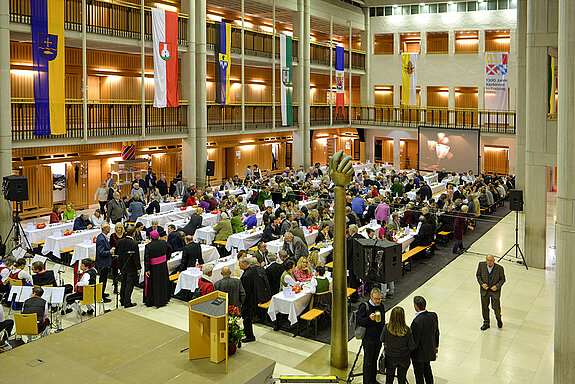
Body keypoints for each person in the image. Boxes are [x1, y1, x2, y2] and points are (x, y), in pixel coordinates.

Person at [381, 307, 416, 384]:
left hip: (390, 357)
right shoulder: (407, 330)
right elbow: (412, 346)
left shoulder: (387, 328)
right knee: (402, 378)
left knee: (389, 378)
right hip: (404, 358)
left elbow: (382, 339)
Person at [357, 288, 385, 384]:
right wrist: (369, 319)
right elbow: (360, 321)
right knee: (368, 361)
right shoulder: (364, 307)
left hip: (378, 338)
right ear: (371, 297)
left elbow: (383, 322)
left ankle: (373, 380)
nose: (378, 301)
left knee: (374, 360)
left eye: (379, 299)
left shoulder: (381, 306)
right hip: (368, 338)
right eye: (376, 299)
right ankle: (367, 381)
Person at [411, 296, 440, 384]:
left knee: (419, 374)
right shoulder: (433, 315)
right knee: (427, 370)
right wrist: (436, 346)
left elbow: (415, 341)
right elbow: (436, 332)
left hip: (419, 354)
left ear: (416, 306)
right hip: (430, 349)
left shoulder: (416, 322)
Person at [476, 254, 506, 330]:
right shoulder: (481, 265)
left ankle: (498, 319)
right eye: (488, 261)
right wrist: (482, 284)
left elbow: (503, 279)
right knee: (484, 307)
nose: (489, 262)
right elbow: (478, 275)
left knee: (496, 307)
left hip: (494, 291)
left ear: (494, 261)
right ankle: (486, 323)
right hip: (484, 291)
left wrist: (496, 286)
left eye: (491, 261)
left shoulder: (499, 268)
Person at [143, 230, 172, 308]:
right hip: (162, 265)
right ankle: (164, 299)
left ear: (151, 237)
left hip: (153, 267)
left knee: (155, 283)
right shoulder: (163, 243)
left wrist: (147, 269)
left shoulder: (148, 246)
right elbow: (170, 249)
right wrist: (167, 258)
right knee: (162, 282)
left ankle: (154, 301)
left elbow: (147, 259)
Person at [116, 225, 141, 308]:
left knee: (123, 283)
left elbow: (116, 252)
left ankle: (122, 299)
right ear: (133, 234)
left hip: (122, 266)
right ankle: (127, 301)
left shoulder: (120, 241)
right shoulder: (134, 243)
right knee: (129, 284)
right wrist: (139, 268)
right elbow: (136, 258)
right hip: (131, 267)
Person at [239, 257, 257, 343]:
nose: (239, 266)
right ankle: (246, 330)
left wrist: (242, 302)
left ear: (245, 264)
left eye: (240, 264)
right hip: (253, 297)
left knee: (247, 318)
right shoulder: (252, 270)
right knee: (247, 318)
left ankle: (250, 335)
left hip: (248, 301)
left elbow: (246, 291)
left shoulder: (246, 276)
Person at [95, 224, 113, 303]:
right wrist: (110, 252)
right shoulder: (101, 239)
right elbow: (101, 252)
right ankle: (100, 296)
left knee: (103, 279)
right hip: (102, 263)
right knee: (102, 280)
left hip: (104, 262)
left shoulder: (102, 237)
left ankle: (102, 293)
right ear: (107, 229)